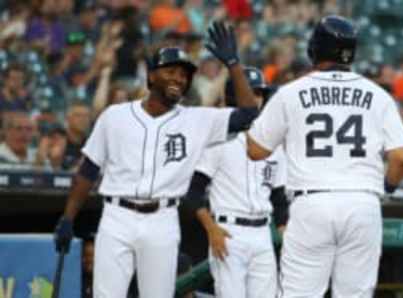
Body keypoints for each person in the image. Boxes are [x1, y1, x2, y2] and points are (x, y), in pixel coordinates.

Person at [53, 21, 259, 298]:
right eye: (170, 71)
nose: (178, 79)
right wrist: (68, 218)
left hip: (162, 218)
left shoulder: (196, 119)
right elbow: (88, 171)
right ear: (151, 77)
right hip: (117, 215)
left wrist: (233, 63)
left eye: (184, 75)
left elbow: (247, 114)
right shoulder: (115, 115)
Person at [246, 15, 403, 297]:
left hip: (312, 202)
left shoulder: (291, 92)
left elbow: (256, 150)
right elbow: (402, 157)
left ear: (315, 49)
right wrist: (387, 188)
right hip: (363, 202)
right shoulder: (377, 94)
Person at [184, 67, 288, 298]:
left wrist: (286, 236)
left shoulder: (274, 142)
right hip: (229, 231)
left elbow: (279, 199)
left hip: (263, 233)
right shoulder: (218, 140)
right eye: (251, 93)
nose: (256, 99)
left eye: (259, 94)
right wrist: (212, 229)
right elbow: (193, 190)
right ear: (234, 96)